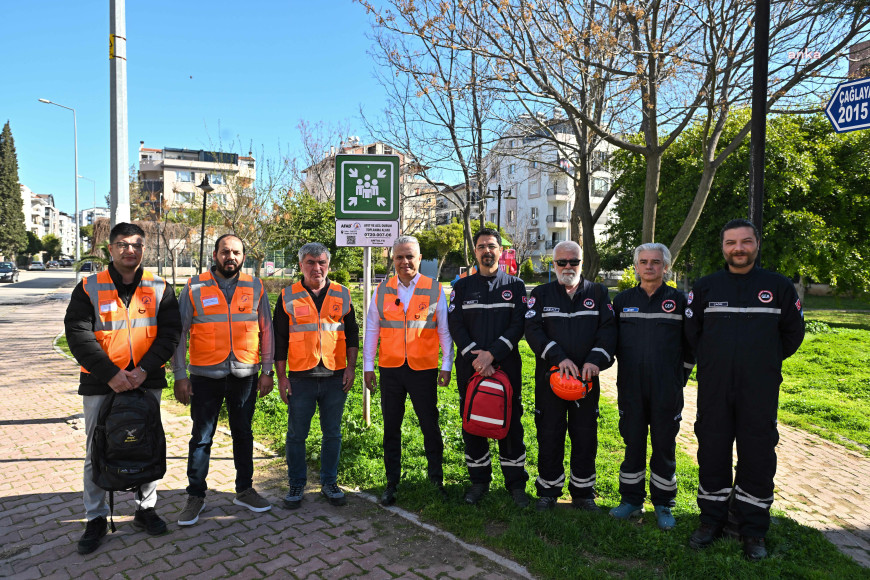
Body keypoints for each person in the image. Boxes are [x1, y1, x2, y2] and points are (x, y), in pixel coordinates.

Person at [685, 219, 804, 560]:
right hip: (715, 387)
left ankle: (753, 530)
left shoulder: (778, 286)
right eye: (731, 243)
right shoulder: (706, 287)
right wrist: (714, 361)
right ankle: (711, 522)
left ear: (757, 244)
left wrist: (761, 362)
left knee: (758, 456)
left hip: (760, 389)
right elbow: (693, 334)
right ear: (723, 247)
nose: (738, 248)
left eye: (745, 242)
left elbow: (792, 335)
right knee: (712, 452)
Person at [64, 222, 181, 554]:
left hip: (147, 381)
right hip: (101, 383)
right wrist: (111, 373)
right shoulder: (88, 288)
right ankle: (96, 518)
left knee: (148, 442)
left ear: (145, 249)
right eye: (123, 244)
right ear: (111, 249)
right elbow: (77, 333)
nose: (130, 250)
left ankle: (145, 509)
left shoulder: (160, 288)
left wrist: (143, 370)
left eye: (137, 244)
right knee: (96, 449)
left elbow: (170, 333)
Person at [172, 234, 275, 526]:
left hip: (245, 375)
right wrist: (180, 375)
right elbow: (179, 334)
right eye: (225, 251)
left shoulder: (255, 286)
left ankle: (244, 490)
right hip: (205, 376)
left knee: (243, 433)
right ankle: (195, 496)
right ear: (215, 254)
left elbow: (266, 330)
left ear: (244, 256)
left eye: (237, 252)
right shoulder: (193, 286)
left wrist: (267, 371)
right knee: (202, 437)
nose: (231, 257)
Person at [524, 241, 616, 512]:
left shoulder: (598, 293)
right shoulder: (541, 294)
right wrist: (558, 357)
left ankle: (583, 492)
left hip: (586, 382)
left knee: (585, 434)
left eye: (573, 262)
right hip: (550, 380)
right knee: (549, 433)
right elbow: (532, 329)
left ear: (581, 262)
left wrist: (595, 360)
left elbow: (609, 330)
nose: (567, 267)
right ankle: (548, 490)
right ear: (553, 265)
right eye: (561, 262)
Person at [363, 236, 454, 505]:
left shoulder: (433, 289)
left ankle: (436, 479)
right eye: (399, 257)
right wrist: (368, 367)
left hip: (423, 369)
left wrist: (446, 364)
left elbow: (444, 330)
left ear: (419, 258)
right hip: (390, 368)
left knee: (430, 425)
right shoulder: (381, 290)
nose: (405, 262)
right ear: (393, 260)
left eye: (410, 256)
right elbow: (372, 330)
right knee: (391, 427)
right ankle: (392, 482)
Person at [610, 243, 693, 529]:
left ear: (666, 267)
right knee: (633, 444)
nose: (649, 267)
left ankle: (663, 504)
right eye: (643, 261)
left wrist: (677, 377)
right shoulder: (621, 301)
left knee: (663, 446)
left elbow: (691, 346)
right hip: (630, 387)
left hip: (666, 390)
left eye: (655, 262)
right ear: (635, 266)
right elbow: (610, 342)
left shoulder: (680, 302)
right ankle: (631, 500)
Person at [448, 228, 530, 507]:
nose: (487, 251)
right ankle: (479, 481)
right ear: (475, 251)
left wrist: (492, 356)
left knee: (510, 423)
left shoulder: (516, 286)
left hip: (506, 367)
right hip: (470, 368)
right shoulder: (461, 287)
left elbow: (518, 325)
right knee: (473, 424)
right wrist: (476, 357)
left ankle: (516, 484)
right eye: (482, 246)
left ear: (500, 250)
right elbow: (455, 325)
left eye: (492, 246)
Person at [274, 243, 359, 509]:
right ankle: (296, 483)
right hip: (300, 377)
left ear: (328, 265)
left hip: (335, 376)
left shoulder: (343, 295)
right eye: (310, 262)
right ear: (301, 265)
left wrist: (351, 368)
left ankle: (329, 482)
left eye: (322, 262)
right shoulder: (288, 296)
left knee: (332, 434)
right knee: (297, 435)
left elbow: (353, 335)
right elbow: (279, 340)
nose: (317, 268)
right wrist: (281, 377)